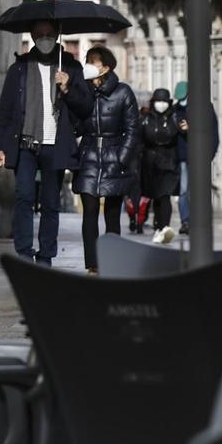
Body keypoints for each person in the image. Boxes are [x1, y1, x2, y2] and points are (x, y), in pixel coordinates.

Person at [0, 20, 85, 266]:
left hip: (56, 143)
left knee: (51, 203)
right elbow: (5, 110)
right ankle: (23, 251)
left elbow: (85, 107)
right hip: (26, 144)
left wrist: (67, 88)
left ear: (56, 35)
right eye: (39, 34)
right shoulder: (19, 68)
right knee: (24, 196)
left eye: (49, 33)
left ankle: (46, 255)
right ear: (32, 36)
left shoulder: (71, 67)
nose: (44, 38)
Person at [66, 47, 139, 274]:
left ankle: (113, 260)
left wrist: (122, 157)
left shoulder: (123, 92)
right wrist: (67, 92)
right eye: (87, 61)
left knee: (112, 214)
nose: (89, 65)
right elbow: (73, 124)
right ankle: (93, 263)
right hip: (88, 155)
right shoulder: (82, 92)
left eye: (94, 62)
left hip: (113, 155)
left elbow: (132, 129)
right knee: (88, 211)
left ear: (106, 67)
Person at [172, 80, 219, 235]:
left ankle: (200, 221)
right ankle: (186, 221)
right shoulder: (176, 109)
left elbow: (212, 132)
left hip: (200, 156)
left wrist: (209, 154)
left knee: (199, 190)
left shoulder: (204, 107)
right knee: (184, 191)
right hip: (183, 157)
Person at [140, 88, 181, 243]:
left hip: (170, 162)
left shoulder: (175, 117)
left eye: (164, 101)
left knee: (165, 195)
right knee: (156, 196)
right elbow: (140, 139)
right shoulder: (145, 118)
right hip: (150, 163)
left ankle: (164, 227)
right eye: (158, 101)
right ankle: (158, 226)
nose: (161, 104)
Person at [126, 101, 150, 235]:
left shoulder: (130, 122)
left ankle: (136, 220)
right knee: (139, 194)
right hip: (138, 161)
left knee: (133, 194)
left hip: (136, 161)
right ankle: (138, 220)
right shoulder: (143, 122)